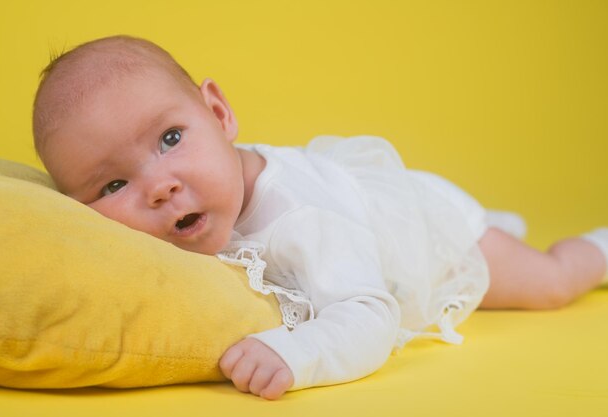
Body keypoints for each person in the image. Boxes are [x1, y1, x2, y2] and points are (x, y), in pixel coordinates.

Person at [32, 35, 608, 400]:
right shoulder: (184, 209)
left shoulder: (302, 219)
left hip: (431, 233)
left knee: (549, 282)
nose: (160, 187)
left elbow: (371, 313)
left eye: (171, 138)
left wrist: (296, 353)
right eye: (112, 184)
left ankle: (592, 247)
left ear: (218, 112)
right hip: (359, 211)